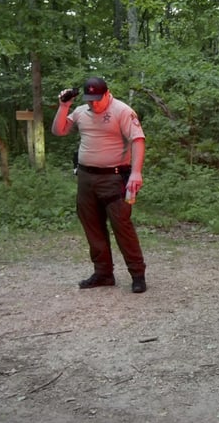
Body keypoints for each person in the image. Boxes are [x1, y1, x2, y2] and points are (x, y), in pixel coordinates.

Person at [51, 77, 148, 294]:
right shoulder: (81, 111)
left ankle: (137, 274)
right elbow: (59, 130)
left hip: (114, 178)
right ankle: (103, 273)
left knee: (122, 226)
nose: (94, 104)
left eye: (97, 99)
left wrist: (136, 172)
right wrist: (64, 105)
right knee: (92, 226)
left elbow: (138, 139)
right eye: (90, 99)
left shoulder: (122, 111)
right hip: (86, 178)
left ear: (107, 93)